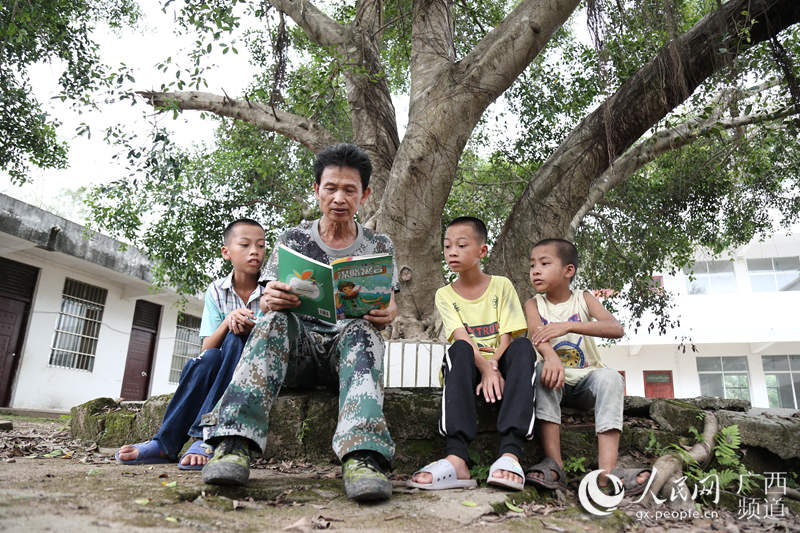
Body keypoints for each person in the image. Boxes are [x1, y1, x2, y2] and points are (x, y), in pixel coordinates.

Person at [200, 143, 399, 503]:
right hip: (297, 354)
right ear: (317, 190)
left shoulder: (378, 245)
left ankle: (363, 457)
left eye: (350, 190)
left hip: (347, 355)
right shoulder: (293, 239)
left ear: (365, 195)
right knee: (274, 319)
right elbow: (268, 294)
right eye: (331, 188)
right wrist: (271, 298)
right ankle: (233, 444)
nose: (339, 197)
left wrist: (388, 312)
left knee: (364, 331)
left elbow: (390, 303)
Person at [115, 219, 266, 470]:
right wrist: (229, 321)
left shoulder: (272, 287)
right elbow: (208, 347)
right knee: (209, 358)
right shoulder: (217, 290)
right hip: (222, 364)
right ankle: (165, 443)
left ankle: (203, 435)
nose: (255, 251)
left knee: (239, 336)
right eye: (245, 244)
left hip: (257, 368)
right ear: (226, 252)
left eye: (261, 246)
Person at [408, 216, 535, 491]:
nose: (452, 252)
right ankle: (456, 458)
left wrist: (495, 367)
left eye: (462, 245)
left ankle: (510, 453)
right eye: (448, 246)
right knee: (459, 348)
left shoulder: (501, 285)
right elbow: (462, 337)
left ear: (482, 251)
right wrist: (487, 370)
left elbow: (508, 335)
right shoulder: (444, 294)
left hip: (501, 362)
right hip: (469, 366)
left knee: (524, 347)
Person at [524, 238, 650, 494]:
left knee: (611, 377)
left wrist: (569, 325)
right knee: (539, 372)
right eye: (532, 265)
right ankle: (555, 465)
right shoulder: (533, 304)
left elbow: (615, 328)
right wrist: (550, 356)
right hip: (552, 379)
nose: (535, 270)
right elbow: (536, 335)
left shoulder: (583, 298)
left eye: (544, 263)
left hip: (586, 382)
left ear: (568, 271)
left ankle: (607, 472)